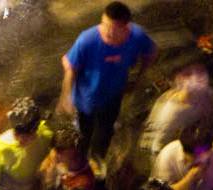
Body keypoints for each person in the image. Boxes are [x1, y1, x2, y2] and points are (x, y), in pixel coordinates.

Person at [61, 3, 155, 166]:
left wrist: (140, 77)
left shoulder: (137, 37)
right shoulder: (87, 40)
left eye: (112, 28)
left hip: (114, 95)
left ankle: (97, 164)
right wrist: (66, 96)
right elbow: (71, 68)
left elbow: (151, 53)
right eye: (104, 24)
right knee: (84, 133)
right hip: (86, 100)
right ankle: (81, 159)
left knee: (104, 132)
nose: (106, 31)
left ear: (126, 27)